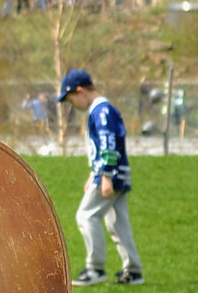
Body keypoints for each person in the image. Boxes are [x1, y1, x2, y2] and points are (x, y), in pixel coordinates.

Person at [58, 69, 143, 287]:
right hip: (117, 173)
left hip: (110, 174)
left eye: (71, 99)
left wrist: (104, 176)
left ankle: (95, 268)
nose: (72, 105)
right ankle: (133, 271)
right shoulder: (104, 110)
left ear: (80, 91)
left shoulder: (101, 111)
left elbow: (108, 144)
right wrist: (93, 173)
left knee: (86, 216)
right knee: (117, 223)